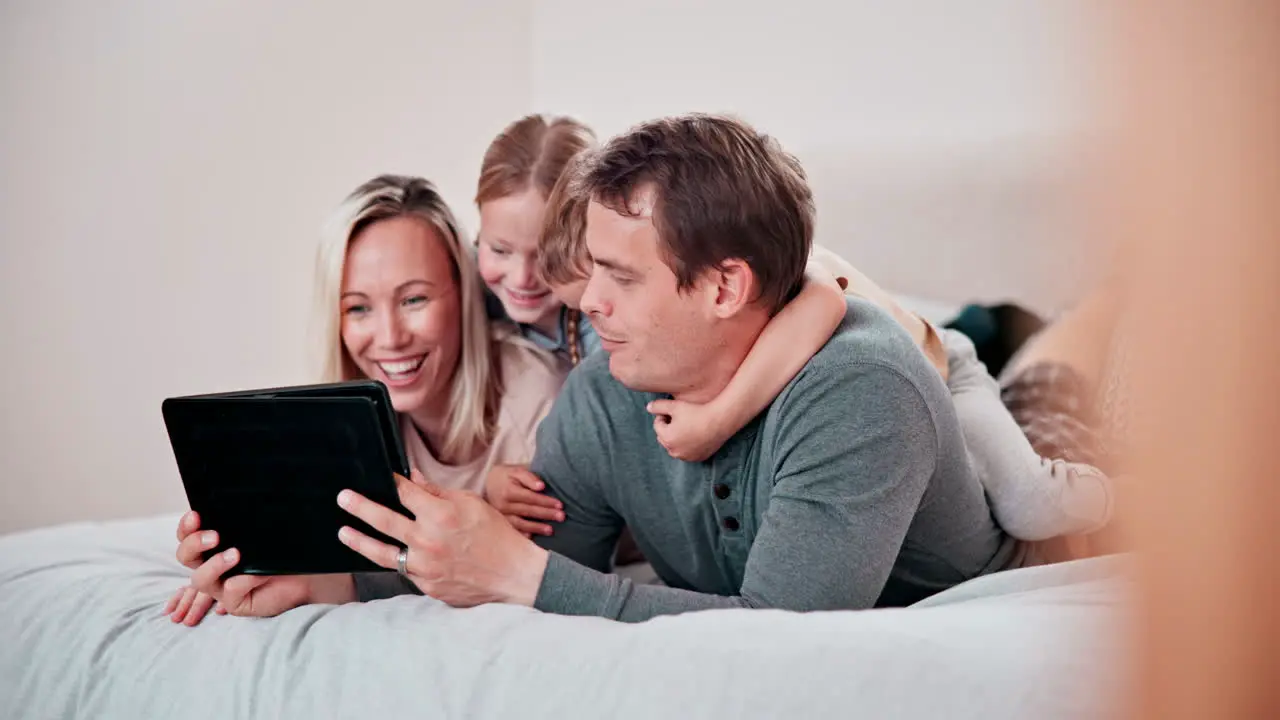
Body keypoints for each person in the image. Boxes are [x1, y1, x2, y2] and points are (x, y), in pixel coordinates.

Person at [317, 113, 1032, 622]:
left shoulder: (860, 392)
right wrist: (330, 587)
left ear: (724, 288)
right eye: (591, 269)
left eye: (620, 278)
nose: (588, 304)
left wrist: (522, 575)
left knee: (1053, 406)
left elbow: (778, 634)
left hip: (997, 490)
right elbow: (511, 561)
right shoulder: (602, 391)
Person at [534, 145, 1115, 543]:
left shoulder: (787, 271)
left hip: (941, 369)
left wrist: (714, 420)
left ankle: (1135, 495)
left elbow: (827, 304)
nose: (596, 307)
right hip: (907, 378)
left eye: (621, 281)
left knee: (1030, 505)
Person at [164, 174, 565, 625]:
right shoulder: (346, 431)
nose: (390, 338)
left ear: (465, 294)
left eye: (414, 299)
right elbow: (369, 573)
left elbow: (544, 577)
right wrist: (250, 570)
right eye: (358, 308)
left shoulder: (539, 399)